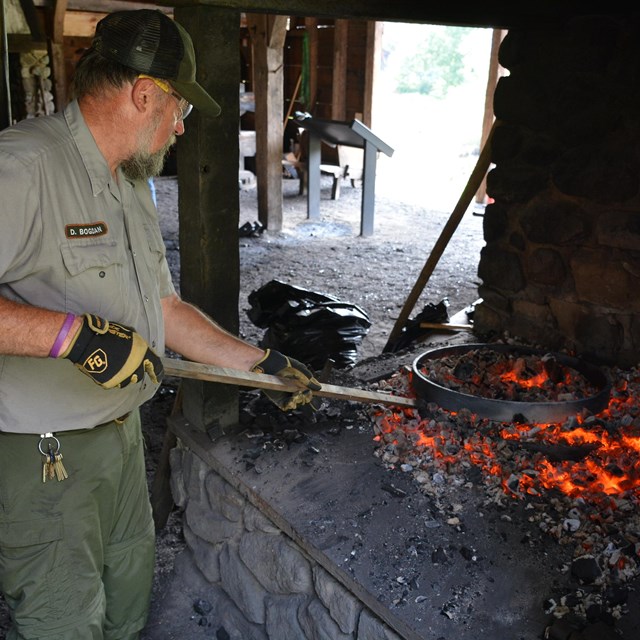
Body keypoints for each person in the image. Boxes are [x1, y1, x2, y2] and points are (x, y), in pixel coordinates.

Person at [0, 9, 321, 640]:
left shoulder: (130, 183)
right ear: (143, 93)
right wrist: (71, 337)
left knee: (127, 602)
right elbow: (73, 332)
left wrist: (260, 365)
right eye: (180, 109)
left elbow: (164, 310)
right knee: (65, 621)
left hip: (123, 437)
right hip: (48, 455)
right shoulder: (25, 167)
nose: (180, 126)